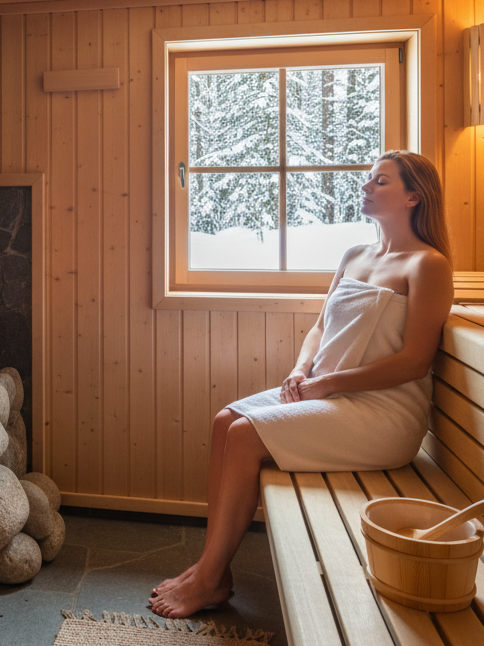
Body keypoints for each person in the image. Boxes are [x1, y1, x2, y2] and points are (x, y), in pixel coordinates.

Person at [149, 151, 454, 619]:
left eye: (381, 182)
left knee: (244, 435)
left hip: (382, 414)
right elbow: (319, 327)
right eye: (368, 179)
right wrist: (300, 370)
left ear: (414, 196)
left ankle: (210, 578)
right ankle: (213, 567)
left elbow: (414, 362)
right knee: (224, 420)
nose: (366, 186)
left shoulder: (427, 265)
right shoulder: (355, 255)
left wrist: (328, 383)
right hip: (324, 392)